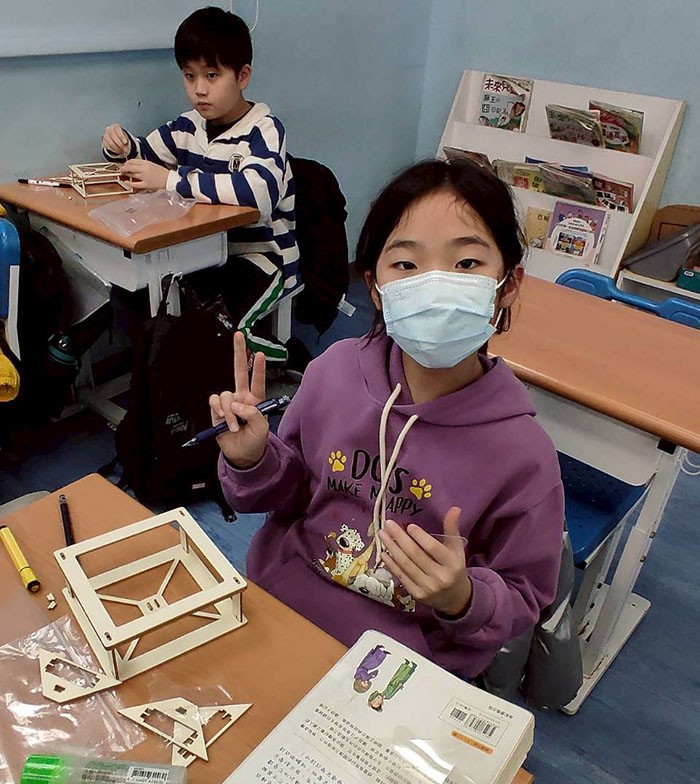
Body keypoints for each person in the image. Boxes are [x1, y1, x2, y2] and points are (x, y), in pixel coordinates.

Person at [210, 159, 565, 679]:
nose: (435, 286)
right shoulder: (332, 373)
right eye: (406, 264)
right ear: (374, 287)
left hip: (406, 664)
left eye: (466, 263)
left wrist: (462, 597)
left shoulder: (524, 455)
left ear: (507, 285)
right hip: (285, 611)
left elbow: (524, 596)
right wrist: (254, 461)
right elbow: (287, 497)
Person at [101, 6, 298, 365]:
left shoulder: (264, 129)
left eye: (211, 75)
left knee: (221, 333)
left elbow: (258, 194)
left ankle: (286, 356)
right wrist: (122, 146)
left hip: (262, 260)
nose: (199, 90)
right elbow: (146, 152)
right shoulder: (188, 126)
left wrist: (171, 180)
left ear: (242, 76)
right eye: (189, 76)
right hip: (206, 255)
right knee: (173, 314)